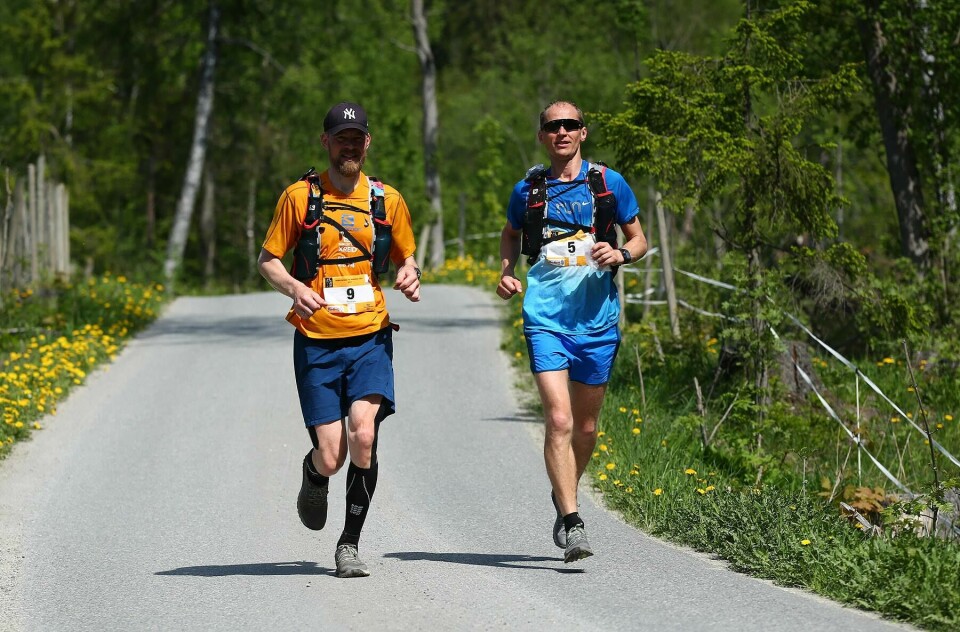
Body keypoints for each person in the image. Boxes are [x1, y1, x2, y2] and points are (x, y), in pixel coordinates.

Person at [258, 101, 421, 578]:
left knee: (364, 435)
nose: (349, 145)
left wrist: (410, 274)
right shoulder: (299, 197)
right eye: (341, 137)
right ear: (326, 142)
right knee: (332, 455)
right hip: (316, 340)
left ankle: (348, 545)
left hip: (370, 334)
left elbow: (408, 255)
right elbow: (268, 259)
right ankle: (314, 474)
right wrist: (294, 287)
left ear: (367, 143)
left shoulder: (386, 200)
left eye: (357, 137)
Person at [496, 100, 647, 563]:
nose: (562, 131)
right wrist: (505, 272)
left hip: (597, 322)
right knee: (559, 420)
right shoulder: (529, 190)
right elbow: (510, 234)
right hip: (545, 319)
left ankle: (564, 493)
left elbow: (639, 238)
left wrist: (620, 255)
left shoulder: (607, 183)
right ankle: (572, 519)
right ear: (542, 135)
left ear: (583, 132)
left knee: (585, 426)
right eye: (553, 126)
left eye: (570, 125)